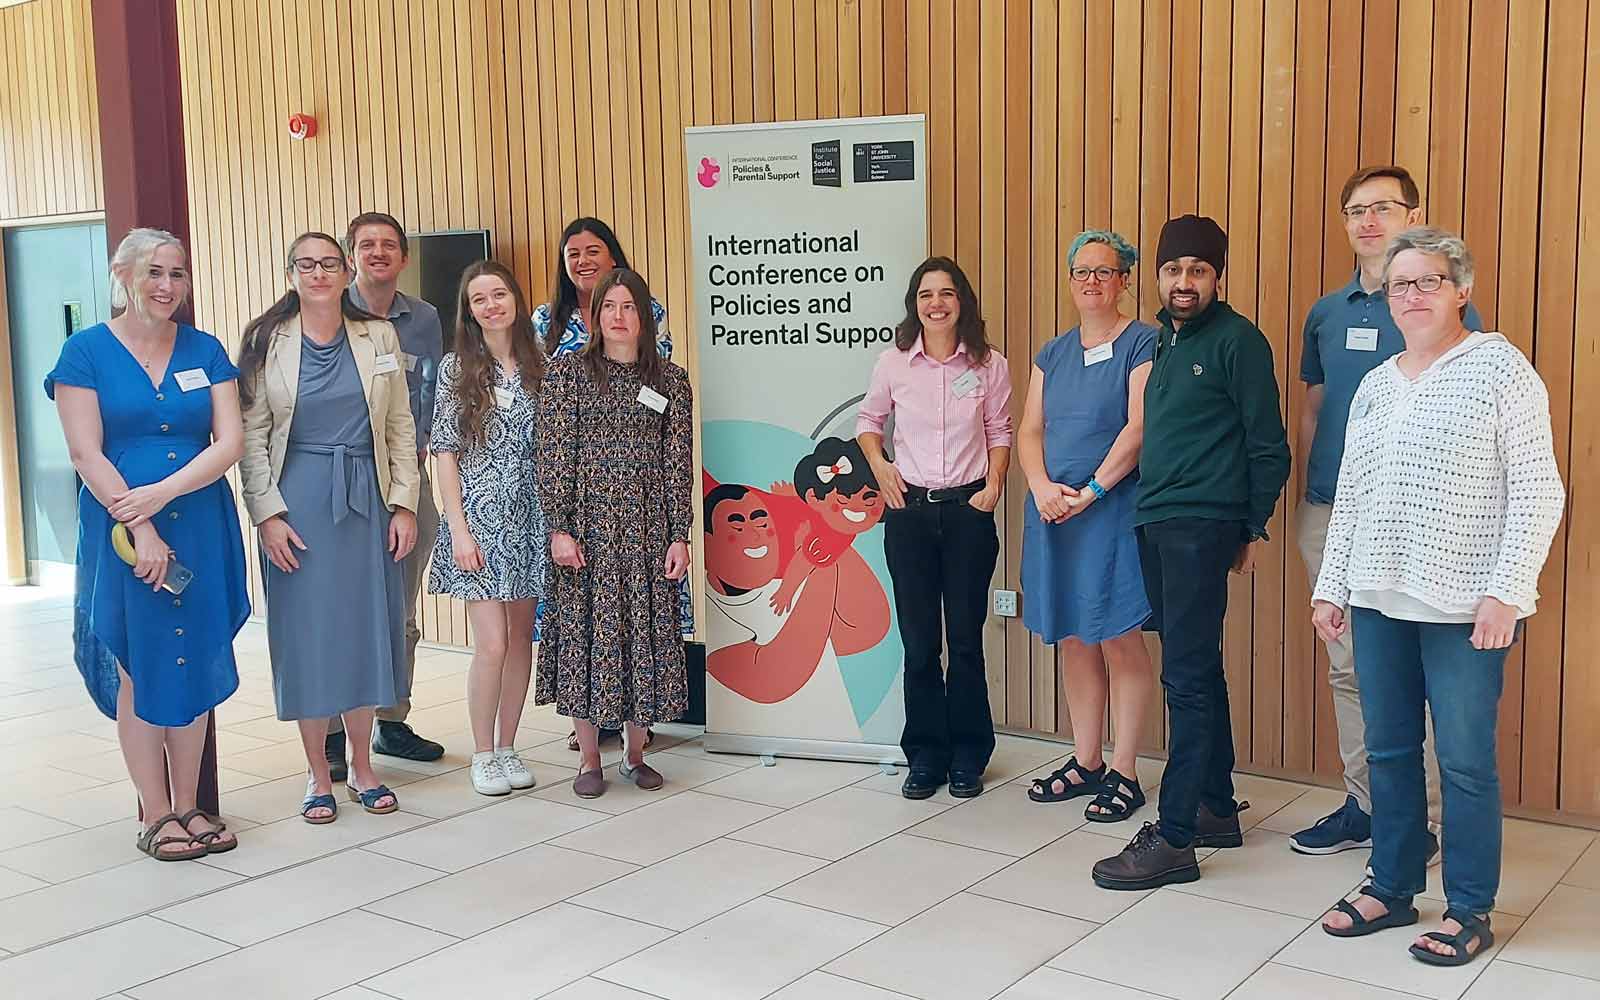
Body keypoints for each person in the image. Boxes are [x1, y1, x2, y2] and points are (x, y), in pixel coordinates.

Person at [1311, 227, 1563, 966]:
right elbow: (1351, 497)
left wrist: (1507, 592)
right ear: (1385, 298)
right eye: (1400, 284)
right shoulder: (1377, 384)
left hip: (1463, 609)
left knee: (1462, 762)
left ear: (1462, 290)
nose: (1413, 295)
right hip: (1376, 600)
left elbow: (1538, 491)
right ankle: (1390, 886)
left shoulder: (1499, 369)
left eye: (1428, 281)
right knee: (1388, 751)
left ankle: (1470, 908)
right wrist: (1333, 586)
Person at [1092, 215, 1290, 890]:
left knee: (1185, 677)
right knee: (1199, 668)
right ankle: (1212, 806)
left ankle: (1175, 836)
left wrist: (1251, 528)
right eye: (1174, 270)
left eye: (1198, 271)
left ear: (1217, 276)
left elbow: (1270, 446)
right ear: (1157, 275)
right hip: (1157, 521)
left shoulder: (1239, 342)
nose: (1184, 282)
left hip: (1202, 526)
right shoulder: (1165, 344)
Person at [1292, 166, 1482, 861]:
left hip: (1416, 518)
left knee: (1417, 672)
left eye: (1383, 207)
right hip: (1335, 514)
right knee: (1348, 666)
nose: (1368, 221)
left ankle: (1423, 822)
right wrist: (1314, 495)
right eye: (1355, 210)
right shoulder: (1327, 311)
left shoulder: (1441, 309)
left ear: (1413, 213)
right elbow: (1314, 411)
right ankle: (1367, 806)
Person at [46, 228, 249, 860]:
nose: (166, 286)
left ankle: (190, 804)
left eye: (178, 274)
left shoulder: (206, 349)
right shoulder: (85, 352)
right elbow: (85, 451)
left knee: (195, 653)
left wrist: (161, 495)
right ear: (124, 274)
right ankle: (155, 814)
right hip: (122, 524)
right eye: (155, 272)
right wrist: (140, 521)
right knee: (142, 659)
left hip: (198, 517)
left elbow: (229, 442)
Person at [238, 231, 419, 823]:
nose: (318, 274)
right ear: (291, 272)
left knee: (367, 630)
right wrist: (267, 514)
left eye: (329, 264)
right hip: (299, 502)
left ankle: (364, 767)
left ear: (346, 273)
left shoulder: (378, 335)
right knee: (308, 636)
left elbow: (399, 424)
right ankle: (319, 773)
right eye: (306, 265)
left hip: (367, 497)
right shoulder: (269, 340)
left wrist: (405, 504)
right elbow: (254, 439)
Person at [857, 256, 1012, 800]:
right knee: (920, 642)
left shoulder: (990, 364)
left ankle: (969, 753)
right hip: (911, 516)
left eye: (946, 293)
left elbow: (1000, 428)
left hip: (969, 512)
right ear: (914, 304)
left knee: (966, 639)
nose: (936, 303)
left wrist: (994, 483)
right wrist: (880, 467)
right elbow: (868, 423)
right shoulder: (895, 363)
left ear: (962, 301)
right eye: (926, 294)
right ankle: (924, 754)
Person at [535, 267, 693, 799]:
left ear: (645, 316)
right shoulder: (568, 375)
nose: (619, 317)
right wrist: (559, 527)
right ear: (594, 315)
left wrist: (680, 533)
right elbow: (554, 456)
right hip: (588, 534)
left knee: (644, 639)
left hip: (649, 532)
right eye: (609, 307)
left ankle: (634, 753)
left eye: (630, 307)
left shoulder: (670, 381)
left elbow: (678, 462)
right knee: (588, 640)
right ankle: (587, 758)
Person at [1019, 231, 1157, 821]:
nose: (1092, 281)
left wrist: (1094, 489)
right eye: (1082, 272)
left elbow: (1139, 427)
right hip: (1055, 513)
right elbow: (1028, 430)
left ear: (1125, 280)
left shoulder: (1143, 342)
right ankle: (1086, 761)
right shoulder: (1052, 353)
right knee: (1075, 636)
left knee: (1119, 637)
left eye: (1104, 271)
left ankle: (1125, 770)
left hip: (1113, 511)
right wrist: (1043, 488)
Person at [323, 212, 446, 778]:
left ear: (403, 257)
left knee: (400, 605)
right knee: (338, 606)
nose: (377, 253)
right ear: (351, 256)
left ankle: (392, 720)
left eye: (388, 245)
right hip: (340, 481)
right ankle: (329, 729)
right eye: (366, 245)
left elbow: (434, 397)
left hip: (408, 480)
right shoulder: (325, 311)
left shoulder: (424, 319)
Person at [428, 261, 546, 796]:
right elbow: (445, 452)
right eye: (480, 299)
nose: (492, 304)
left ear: (515, 299)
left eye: (499, 294)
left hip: (532, 519)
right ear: (470, 311)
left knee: (522, 637)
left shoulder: (541, 365)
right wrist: (457, 527)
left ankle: (508, 746)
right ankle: (481, 752)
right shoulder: (458, 368)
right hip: (479, 519)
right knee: (492, 643)